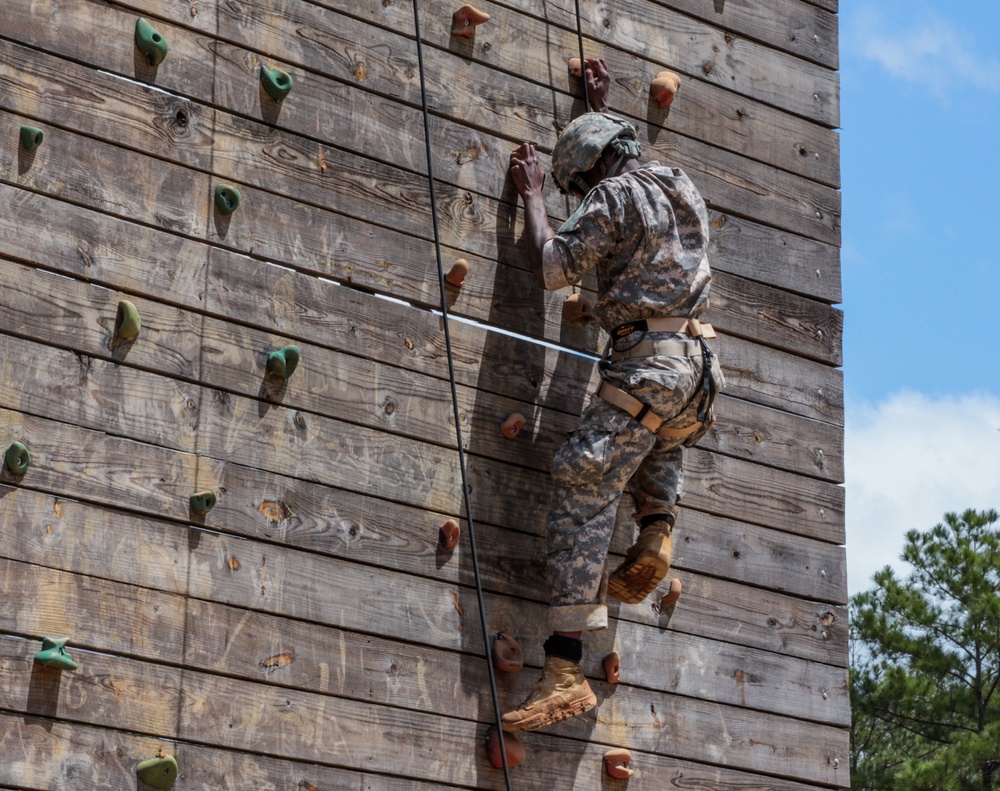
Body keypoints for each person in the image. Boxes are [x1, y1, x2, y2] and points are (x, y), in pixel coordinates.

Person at [500, 59, 724, 733]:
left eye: (581, 183)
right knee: (655, 428)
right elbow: (621, 163)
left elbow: (552, 267)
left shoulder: (611, 198)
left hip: (647, 365)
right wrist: (596, 110)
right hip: (700, 370)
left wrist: (537, 196)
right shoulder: (679, 182)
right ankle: (657, 527)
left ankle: (564, 666)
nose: (581, 194)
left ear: (594, 171)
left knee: (582, 476)